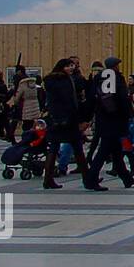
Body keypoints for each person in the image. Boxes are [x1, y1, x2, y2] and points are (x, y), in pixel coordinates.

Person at [86, 57, 134, 189]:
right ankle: (90, 180)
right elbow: (122, 99)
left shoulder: (98, 78)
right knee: (104, 151)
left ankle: (126, 178)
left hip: (103, 118)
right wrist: (128, 114)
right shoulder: (117, 78)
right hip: (117, 120)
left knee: (116, 152)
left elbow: (92, 97)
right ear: (115, 66)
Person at [42, 58, 93, 190]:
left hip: (54, 119)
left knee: (53, 149)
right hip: (68, 120)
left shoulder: (50, 80)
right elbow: (69, 101)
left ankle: (48, 179)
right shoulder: (65, 81)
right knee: (78, 149)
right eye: (68, 66)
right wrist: (78, 118)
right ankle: (88, 180)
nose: (71, 68)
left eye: (72, 66)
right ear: (61, 67)